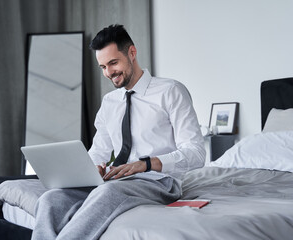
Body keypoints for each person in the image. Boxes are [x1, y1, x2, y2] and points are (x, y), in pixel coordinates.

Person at [31, 24, 206, 240]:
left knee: (106, 193)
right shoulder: (109, 102)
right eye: (102, 66)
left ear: (132, 53)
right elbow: (99, 150)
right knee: (50, 200)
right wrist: (92, 168)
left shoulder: (171, 91)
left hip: (158, 181)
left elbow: (197, 153)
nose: (108, 73)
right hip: (114, 179)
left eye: (113, 63)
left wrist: (147, 163)